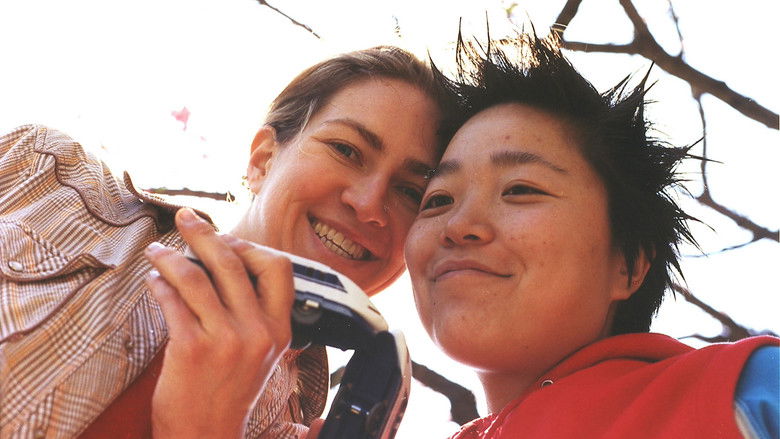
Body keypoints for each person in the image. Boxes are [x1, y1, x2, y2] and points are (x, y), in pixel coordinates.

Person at [0, 46, 446, 438]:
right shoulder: (46, 177)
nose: (369, 204)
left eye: (411, 192)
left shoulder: (301, 426)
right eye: (346, 150)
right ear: (262, 159)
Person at [401, 32, 779, 438]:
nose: (459, 227)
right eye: (437, 200)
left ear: (628, 264)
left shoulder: (744, 390)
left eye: (520, 190)